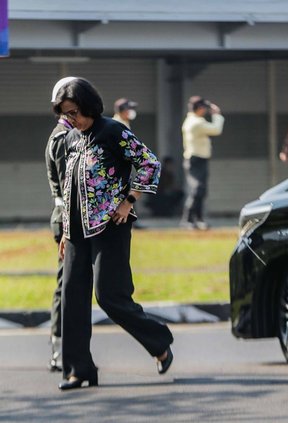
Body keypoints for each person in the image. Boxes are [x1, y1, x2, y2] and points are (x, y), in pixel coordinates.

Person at [53, 78, 173, 390]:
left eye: (74, 112)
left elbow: (149, 164)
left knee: (110, 297)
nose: (71, 120)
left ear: (88, 105)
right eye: (66, 115)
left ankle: (158, 342)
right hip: (77, 232)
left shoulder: (113, 130)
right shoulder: (71, 140)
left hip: (110, 228)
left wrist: (129, 200)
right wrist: (65, 232)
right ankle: (79, 370)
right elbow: (69, 188)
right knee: (72, 300)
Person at [44, 76, 77, 372]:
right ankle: (59, 347)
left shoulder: (64, 134)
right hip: (67, 219)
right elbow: (70, 187)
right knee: (64, 285)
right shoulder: (64, 138)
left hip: (67, 218)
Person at [180, 96, 224, 230]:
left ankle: (198, 220)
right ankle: (187, 220)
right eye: (204, 108)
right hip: (195, 160)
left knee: (201, 190)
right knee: (197, 189)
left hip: (199, 159)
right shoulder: (196, 122)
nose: (206, 110)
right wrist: (217, 115)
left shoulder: (193, 120)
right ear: (199, 108)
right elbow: (216, 129)